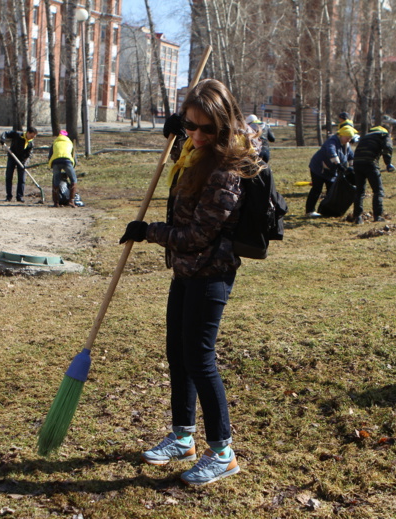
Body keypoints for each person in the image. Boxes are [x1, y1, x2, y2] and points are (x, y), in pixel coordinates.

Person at [119, 79, 261, 486]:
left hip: (210, 273)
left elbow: (197, 236)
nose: (196, 135)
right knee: (177, 353)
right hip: (186, 270)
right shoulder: (197, 151)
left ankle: (223, 453)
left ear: (224, 127)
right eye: (190, 124)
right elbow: (189, 151)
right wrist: (178, 134)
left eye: (204, 129)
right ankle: (183, 437)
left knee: (199, 358)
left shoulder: (227, 170)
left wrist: (149, 232)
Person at [305, 125, 356, 217]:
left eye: (350, 138)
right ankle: (309, 211)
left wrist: (352, 166)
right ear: (341, 135)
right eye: (347, 138)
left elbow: (351, 155)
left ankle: (328, 211)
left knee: (332, 191)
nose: (349, 140)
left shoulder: (346, 145)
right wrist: (338, 164)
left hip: (331, 172)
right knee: (317, 189)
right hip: (319, 168)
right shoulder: (332, 141)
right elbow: (331, 151)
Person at [352, 125, 395, 224]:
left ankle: (357, 217)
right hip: (370, 163)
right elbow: (387, 148)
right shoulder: (384, 135)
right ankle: (378, 215)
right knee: (378, 190)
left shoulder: (366, 136)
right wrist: (388, 163)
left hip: (357, 163)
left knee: (359, 191)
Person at [0, 127, 37, 202]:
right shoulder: (17, 134)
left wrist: (25, 163)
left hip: (22, 161)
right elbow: (5, 133)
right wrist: (3, 139)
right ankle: (8, 196)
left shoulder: (31, 143)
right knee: (9, 177)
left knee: (22, 179)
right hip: (12, 157)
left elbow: (29, 155)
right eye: (32, 136)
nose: (32, 138)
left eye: (34, 137)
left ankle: (19, 196)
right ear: (28, 133)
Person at [48, 130, 81, 207]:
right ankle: (71, 201)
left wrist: (51, 165)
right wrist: (73, 166)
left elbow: (50, 155)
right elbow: (73, 156)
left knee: (55, 182)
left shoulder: (55, 143)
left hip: (56, 162)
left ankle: (56, 202)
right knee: (73, 180)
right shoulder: (69, 143)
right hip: (67, 161)